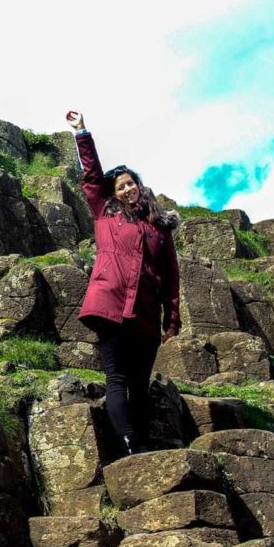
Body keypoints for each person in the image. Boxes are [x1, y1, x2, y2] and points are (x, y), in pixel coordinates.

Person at [65, 110, 181, 456]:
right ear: (112, 193)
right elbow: (91, 175)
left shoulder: (161, 228)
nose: (127, 189)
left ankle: (141, 443)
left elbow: (171, 275)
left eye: (131, 183)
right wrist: (82, 133)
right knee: (116, 379)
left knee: (140, 386)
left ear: (139, 186)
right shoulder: (105, 211)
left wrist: (171, 319)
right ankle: (129, 446)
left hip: (145, 313)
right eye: (121, 186)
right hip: (111, 304)